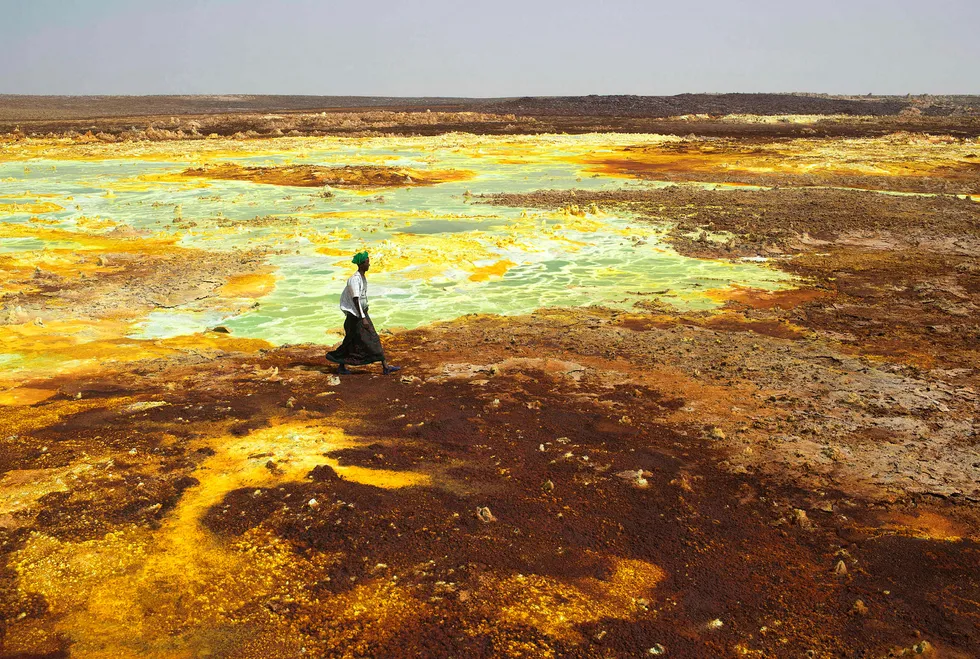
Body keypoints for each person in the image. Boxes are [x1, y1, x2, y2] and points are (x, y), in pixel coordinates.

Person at [326, 251, 401, 375]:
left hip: (359, 314)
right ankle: (385, 366)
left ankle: (342, 366)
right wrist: (363, 317)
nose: (369, 265)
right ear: (361, 264)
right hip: (356, 316)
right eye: (367, 262)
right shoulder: (354, 280)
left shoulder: (361, 277)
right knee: (372, 338)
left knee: (351, 341)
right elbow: (356, 299)